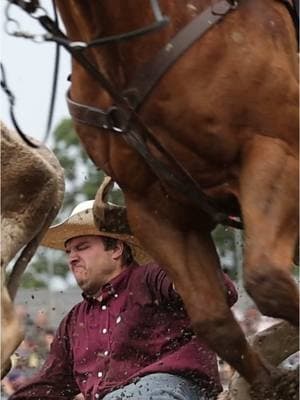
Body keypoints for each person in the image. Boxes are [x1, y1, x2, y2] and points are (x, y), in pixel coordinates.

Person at [10, 178, 237, 400]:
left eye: (82, 247)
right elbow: (48, 385)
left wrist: (186, 276)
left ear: (116, 249)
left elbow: (221, 293)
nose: (72, 258)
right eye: (68, 252)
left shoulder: (151, 277)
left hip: (172, 388)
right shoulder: (73, 321)